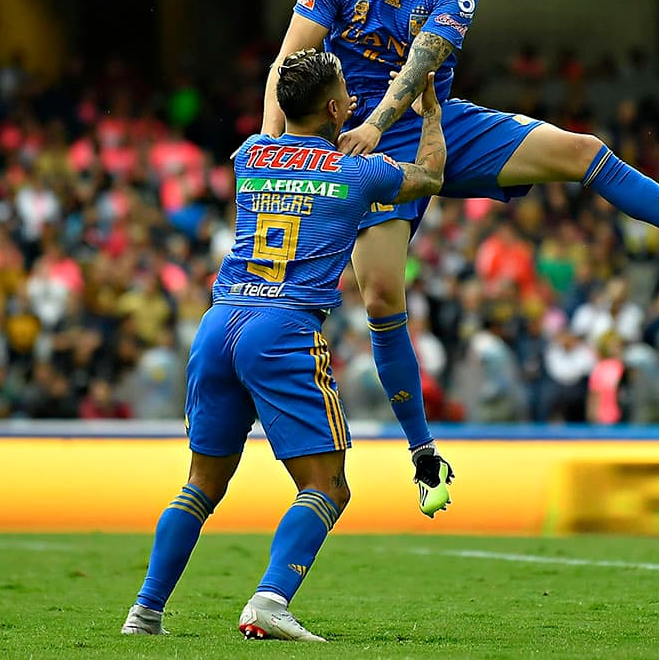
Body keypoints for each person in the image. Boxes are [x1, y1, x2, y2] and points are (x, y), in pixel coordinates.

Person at [262, 0, 659, 489]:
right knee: (380, 297)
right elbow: (289, 63)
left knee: (581, 150)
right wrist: (275, 151)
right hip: (350, 138)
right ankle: (424, 455)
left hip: (430, 125)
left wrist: (377, 124)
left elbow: (420, 67)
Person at [121, 49, 449, 641]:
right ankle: (270, 600)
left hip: (219, 323)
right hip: (282, 329)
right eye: (346, 91)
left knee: (201, 484)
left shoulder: (250, 156)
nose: (352, 99)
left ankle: (145, 611)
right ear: (332, 107)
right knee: (327, 485)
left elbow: (283, 139)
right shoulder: (357, 173)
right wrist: (429, 114)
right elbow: (430, 177)